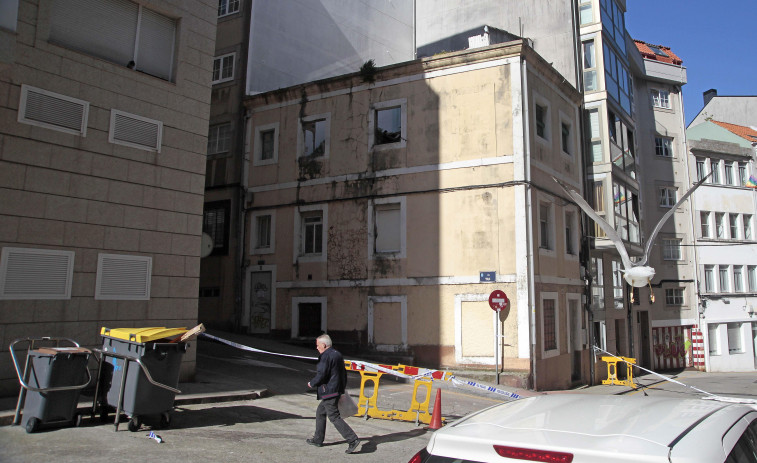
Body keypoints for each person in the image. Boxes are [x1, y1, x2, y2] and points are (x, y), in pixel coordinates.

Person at [306, 334, 360, 454]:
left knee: (334, 417)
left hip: (328, 391)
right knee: (320, 412)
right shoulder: (337, 354)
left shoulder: (325, 356)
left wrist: (312, 383)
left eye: (318, 345)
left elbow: (322, 374)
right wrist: (341, 389)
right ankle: (318, 439)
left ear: (324, 345)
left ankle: (352, 439)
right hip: (335, 389)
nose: (317, 348)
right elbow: (343, 374)